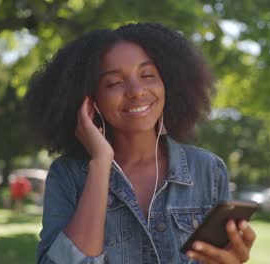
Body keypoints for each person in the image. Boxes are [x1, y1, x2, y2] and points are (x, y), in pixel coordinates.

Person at [26, 23, 256, 264]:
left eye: (148, 76)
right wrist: (101, 161)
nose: (136, 91)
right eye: (114, 82)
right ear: (89, 101)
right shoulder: (68, 176)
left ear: (169, 84)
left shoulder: (208, 170)